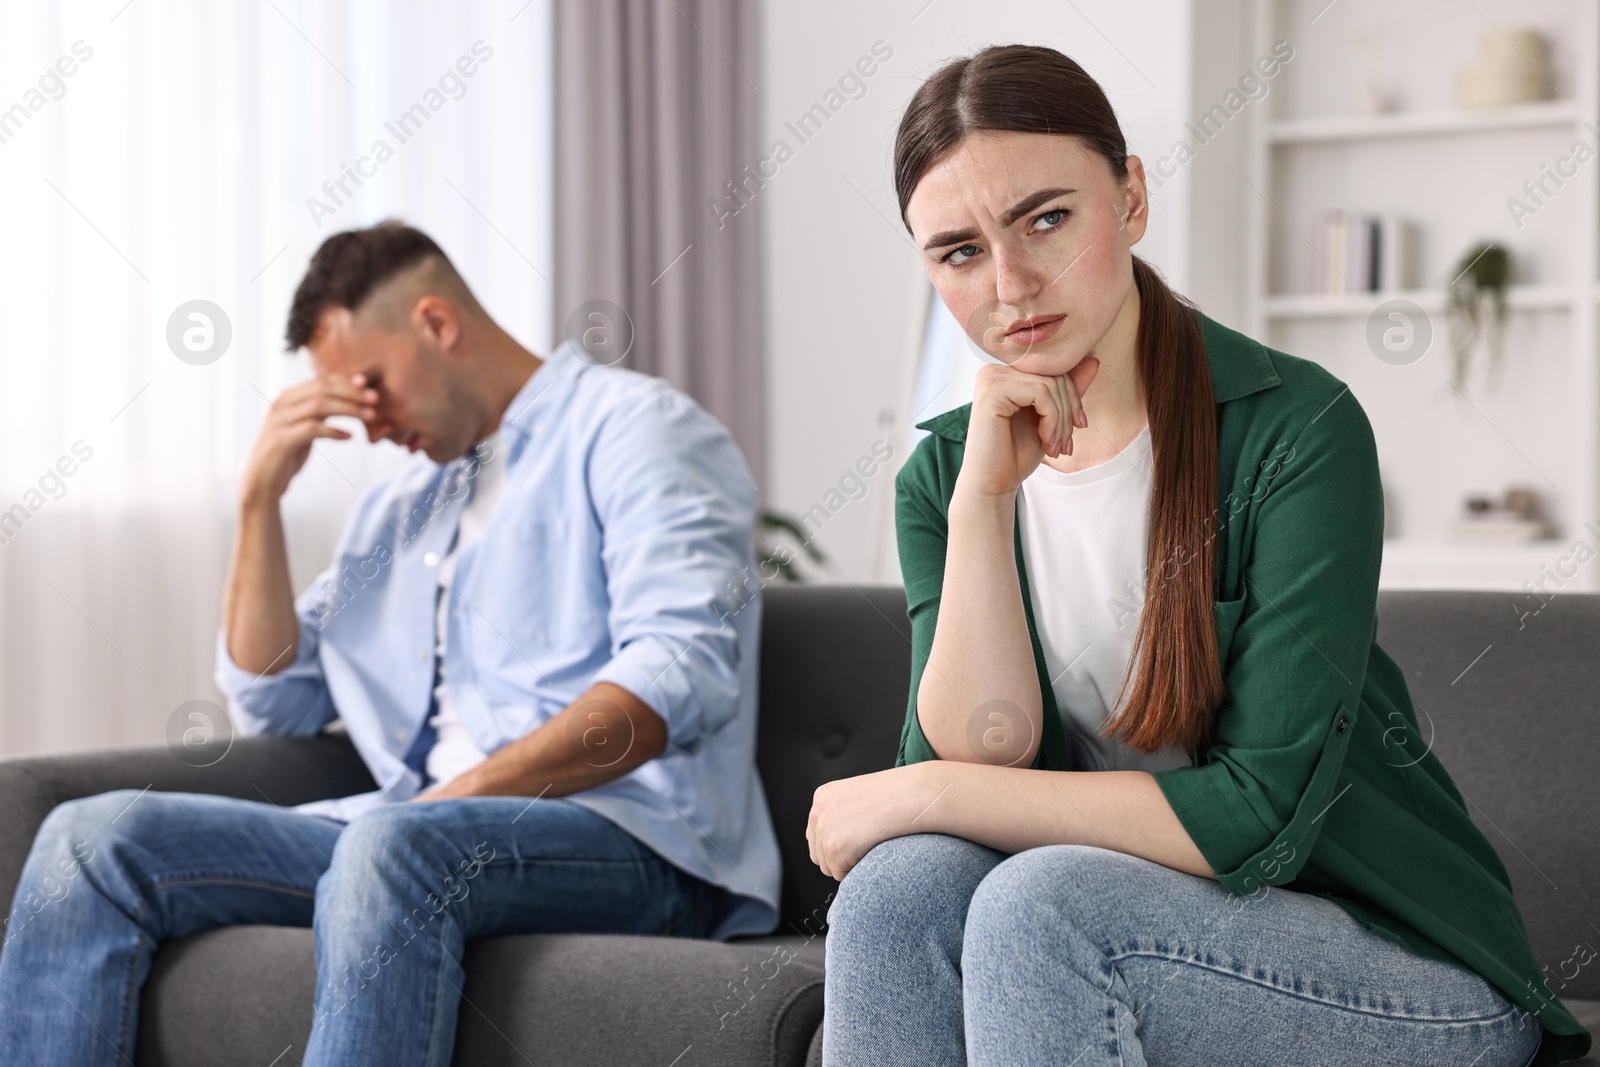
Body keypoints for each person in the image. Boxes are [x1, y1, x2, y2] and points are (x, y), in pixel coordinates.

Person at [806, 44, 1590, 1066]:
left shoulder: (1298, 429)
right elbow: (980, 746)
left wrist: (924, 791)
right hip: (1131, 926)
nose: (1011, 285)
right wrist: (983, 503)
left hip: (1400, 976)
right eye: (958, 252)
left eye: (1047, 218)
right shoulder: (947, 472)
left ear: (1128, 196)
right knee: (898, 890)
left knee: (1041, 901)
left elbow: (1249, 817)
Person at [0, 221, 780, 1065]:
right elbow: (272, 692)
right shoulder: (401, 510)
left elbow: (678, 674)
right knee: (89, 837)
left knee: (389, 842)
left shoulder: (638, 429)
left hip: (635, 838)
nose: (367, 425)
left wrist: (457, 798)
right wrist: (260, 500)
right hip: (414, 836)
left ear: (437, 325)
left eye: (369, 385)